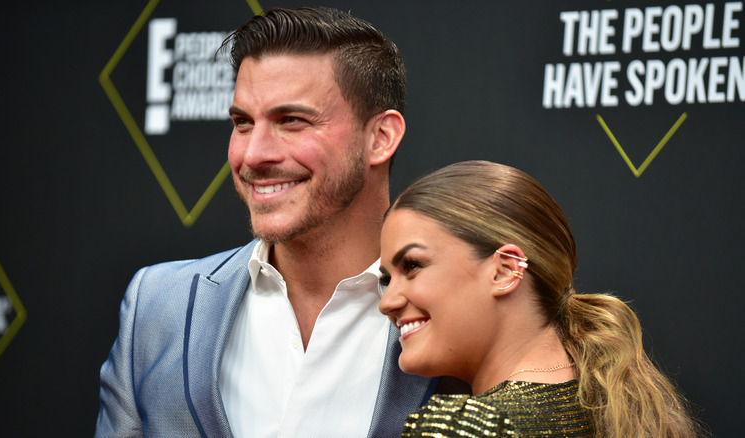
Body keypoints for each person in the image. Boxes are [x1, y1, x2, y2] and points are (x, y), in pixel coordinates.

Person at [95, 7, 440, 438]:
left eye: (291, 121)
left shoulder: (454, 309)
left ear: (381, 137)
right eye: (242, 123)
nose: (254, 155)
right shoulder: (157, 306)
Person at [378, 160, 704, 437]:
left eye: (413, 266)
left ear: (505, 271)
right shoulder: (613, 410)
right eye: (386, 279)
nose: (387, 302)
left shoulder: (463, 427)